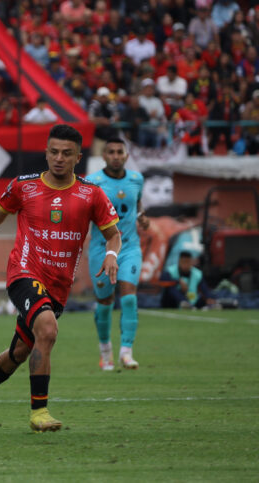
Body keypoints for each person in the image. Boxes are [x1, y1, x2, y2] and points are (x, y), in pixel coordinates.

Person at [0, 124, 121, 432]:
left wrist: (112, 255)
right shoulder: (23, 186)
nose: (58, 158)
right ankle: (39, 412)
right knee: (47, 328)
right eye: (54, 152)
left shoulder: (92, 194)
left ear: (78, 157)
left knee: (19, 352)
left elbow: (113, 235)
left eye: (66, 153)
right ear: (46, 152)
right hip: (24, 272)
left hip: (59, 285)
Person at [86, 137, 149, 371]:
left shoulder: (136, 179)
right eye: (110, 152)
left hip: (129, 246)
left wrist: (142, 216)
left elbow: (138, 204)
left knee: (129, 297)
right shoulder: (93, 182)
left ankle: (126, 352)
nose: (115, 155)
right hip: (101, 250)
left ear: (126, 155)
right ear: (103, 156)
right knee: (104, 302)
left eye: (119, 151)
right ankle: (106, 352)